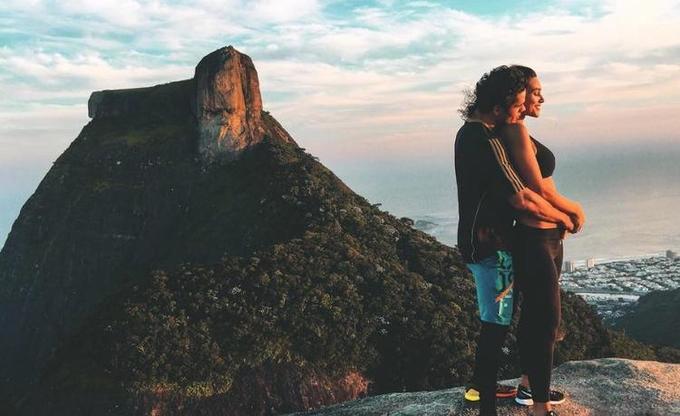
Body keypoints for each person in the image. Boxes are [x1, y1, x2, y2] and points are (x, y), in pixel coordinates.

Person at [454, 65, 576, 416]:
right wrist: (565, 216)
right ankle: (483, 401)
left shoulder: (474, 132)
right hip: (488, 246)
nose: (521, 112)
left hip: (492, 241)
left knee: (501, 319)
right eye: (517, 105)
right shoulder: (484, 139)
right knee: (497, 323)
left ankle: (485, 389)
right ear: (497, 107)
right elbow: (522, 197)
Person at [499, 65, 586, 416]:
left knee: (536, 316)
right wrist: (572, 211)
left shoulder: (519, 131)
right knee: (547, 320)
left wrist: (562, 219)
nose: (542, 98)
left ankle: (528, 385)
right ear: (518, 95)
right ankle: (540, 406)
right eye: (535, 92)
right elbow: (537, 189)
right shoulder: (514, 131)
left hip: (547, 236)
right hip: (534, 237)